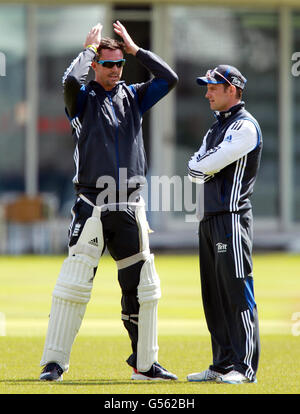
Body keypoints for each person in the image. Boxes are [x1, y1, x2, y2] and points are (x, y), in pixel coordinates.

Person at [39, 21, 178, 382]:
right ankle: (53, 365)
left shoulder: (134, 95)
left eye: (119, 64)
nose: (115, 70)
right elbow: (68, 83)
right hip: (92, 205)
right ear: (96, 66)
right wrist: (86, 51)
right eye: (108, 64)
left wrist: (135, 51)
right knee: (73, 286)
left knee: (143, 289)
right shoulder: (82, 99)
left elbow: (169, 79)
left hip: (130, 206)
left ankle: (144, 365)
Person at [186, 65, 262, 384]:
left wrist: (206, 165)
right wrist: (205, 165)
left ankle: (244, 368)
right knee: (214, 295)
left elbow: (207, 163)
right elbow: (194, 168)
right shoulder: (214, 130)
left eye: (213, 87)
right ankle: (222, 363)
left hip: (231, 218)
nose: (207, 93)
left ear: (232, 89)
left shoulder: (244, 127)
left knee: (236, 291)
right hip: (209, 218)